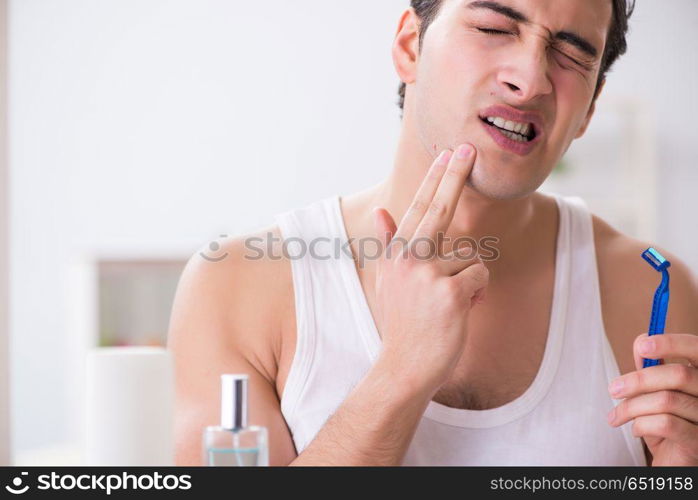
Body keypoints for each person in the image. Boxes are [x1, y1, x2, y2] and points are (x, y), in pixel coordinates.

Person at [167, 0, 698, 466]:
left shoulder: (652, 289)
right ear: (409, 47)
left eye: (572, 51)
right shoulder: (236, 284)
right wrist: (400, 372)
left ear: (589, 108)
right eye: (494, 27)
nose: (530, 78)